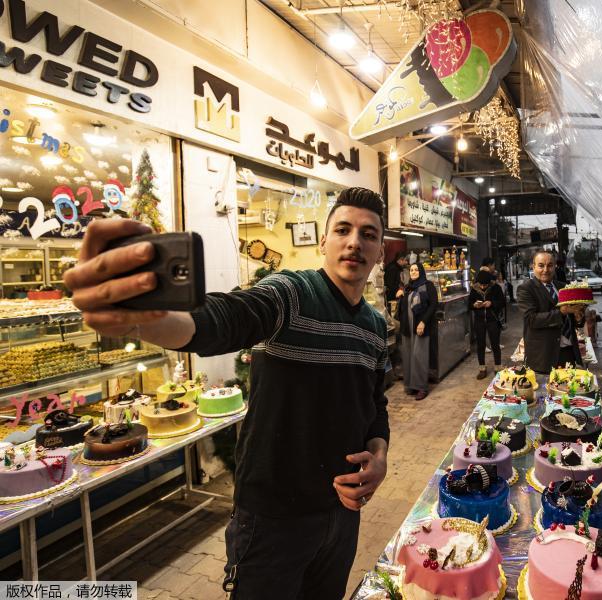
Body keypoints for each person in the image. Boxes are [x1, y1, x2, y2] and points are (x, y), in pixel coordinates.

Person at [63, 188, 390, 599]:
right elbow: (228, 316)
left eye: (368, 234)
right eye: (342, 230)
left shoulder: (374, 326)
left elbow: (375, 406)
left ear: (380, 252)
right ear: (323, 242)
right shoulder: (292, 294)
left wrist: (379, 458)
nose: (354, 242)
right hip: (274, 518)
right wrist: (144, 320)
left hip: (343, 512)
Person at [516, 250, 584, 374]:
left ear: (555, 267)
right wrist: (561, 312)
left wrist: (578, 317)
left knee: (568, 385)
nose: (546, 270)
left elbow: (571, 319)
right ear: (533, 266)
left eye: (550, 265)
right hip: (543, 356)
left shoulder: (564, 287)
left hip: (568, 352)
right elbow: (532, 319)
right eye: (541, 265)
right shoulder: (526, 289)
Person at [397, 262, 437, 400]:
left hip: (420, 326)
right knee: (408, 356)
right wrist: (401, 296)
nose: (413, 272)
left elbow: (433, 305)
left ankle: (421, 387)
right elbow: (404, 307)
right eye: (411, 270)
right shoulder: (407, 288)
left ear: (421, 271)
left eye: (416, 270)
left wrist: (423, 322)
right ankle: (410, 385)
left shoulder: (428, 285)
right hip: (407, 327)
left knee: (419, 356)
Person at [469, 270, 506, 379]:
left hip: (493, 320)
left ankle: (498, 367)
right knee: (480, 345)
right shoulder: (474, 289)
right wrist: (474, 305)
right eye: (481, 285)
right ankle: (482, 369)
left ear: (489, 283)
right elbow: (469, 304)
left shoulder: (496, 288)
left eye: (485, 285)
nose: (482, 287)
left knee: (495, 344)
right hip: (479, 320)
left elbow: (502, 302)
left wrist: (491, 303)